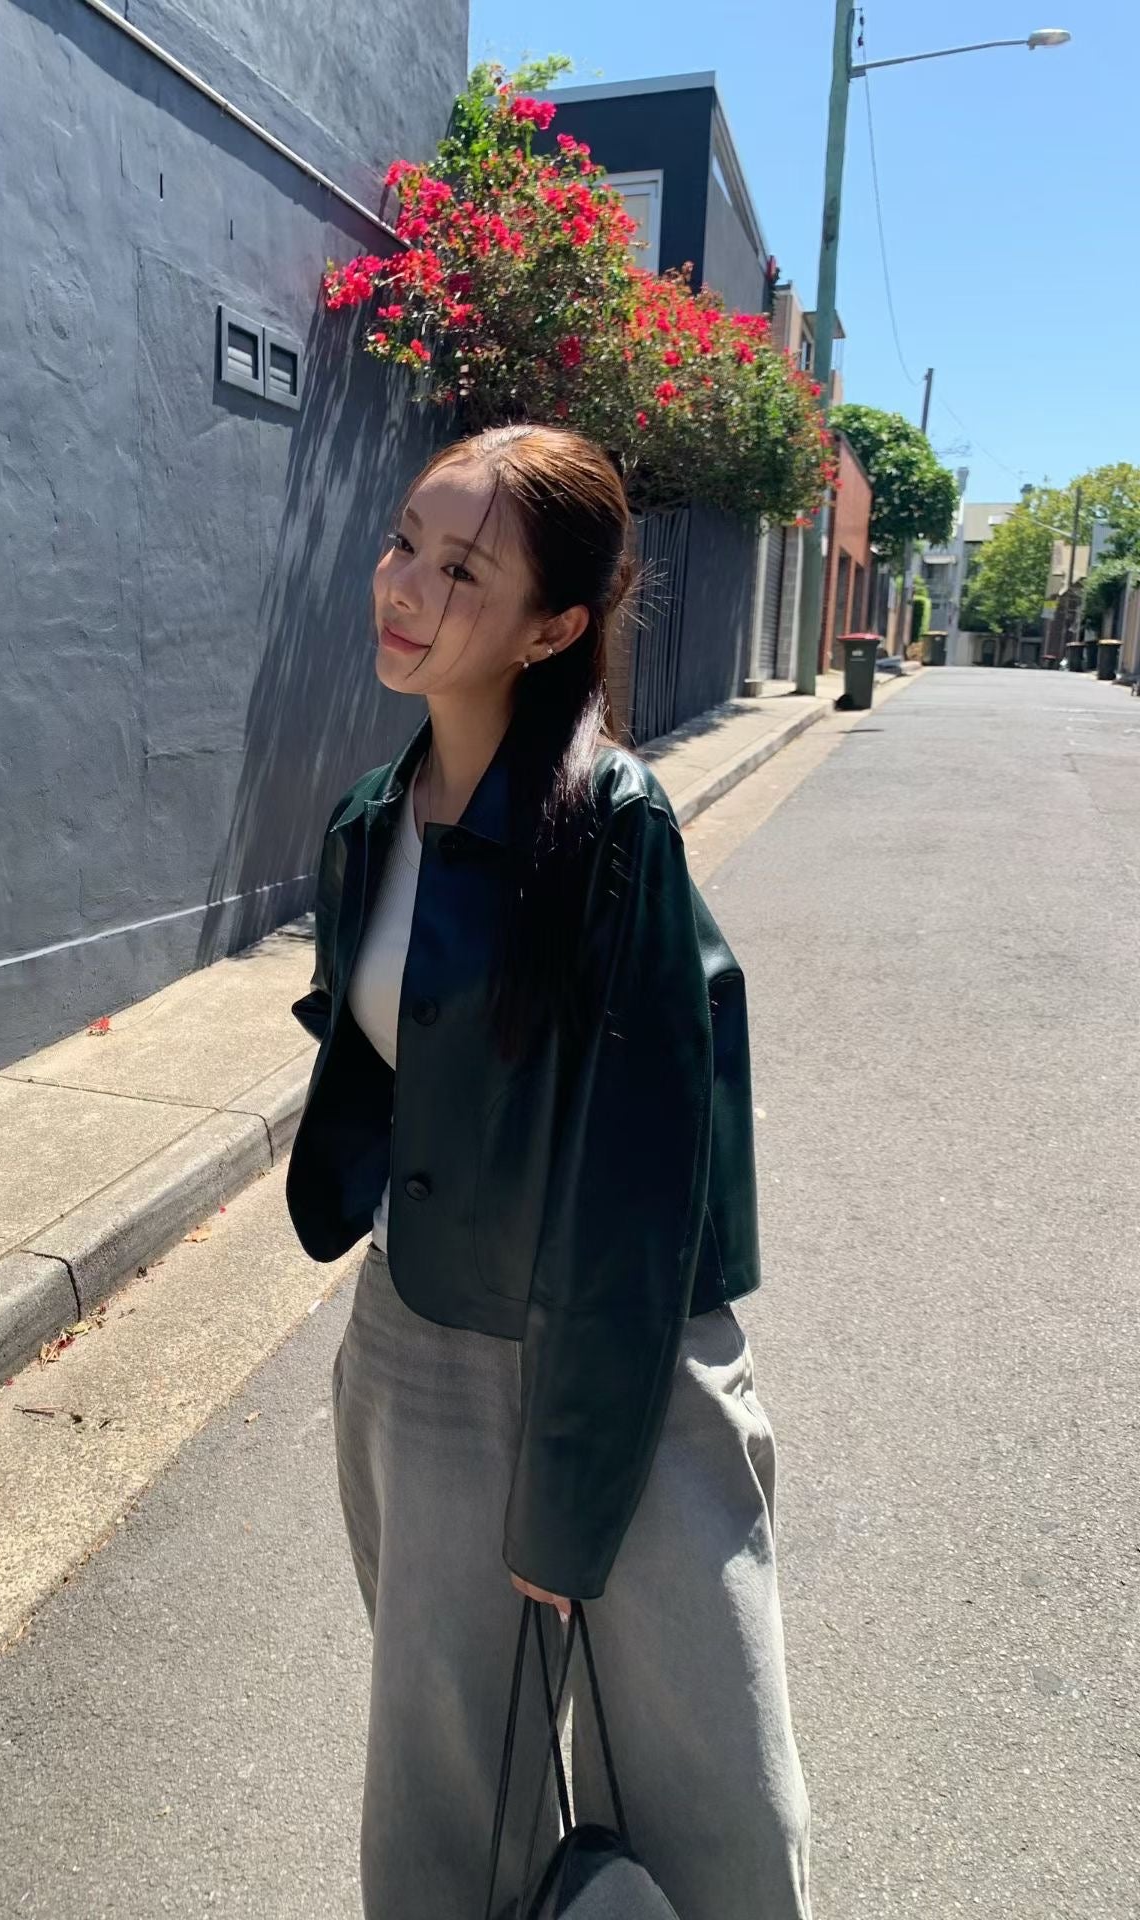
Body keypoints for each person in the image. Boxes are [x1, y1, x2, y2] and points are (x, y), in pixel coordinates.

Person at [285, 423, 811, 1919]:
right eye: (405, 540)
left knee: (715, 1811)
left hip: (626, 1372)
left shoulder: (612, 831)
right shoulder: (373, 820)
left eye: (464, 570)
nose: (405, 586)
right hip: (420, 1351)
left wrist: (568, 1509)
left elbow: (639, 1195)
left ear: (554, 626)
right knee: (449, 1805)